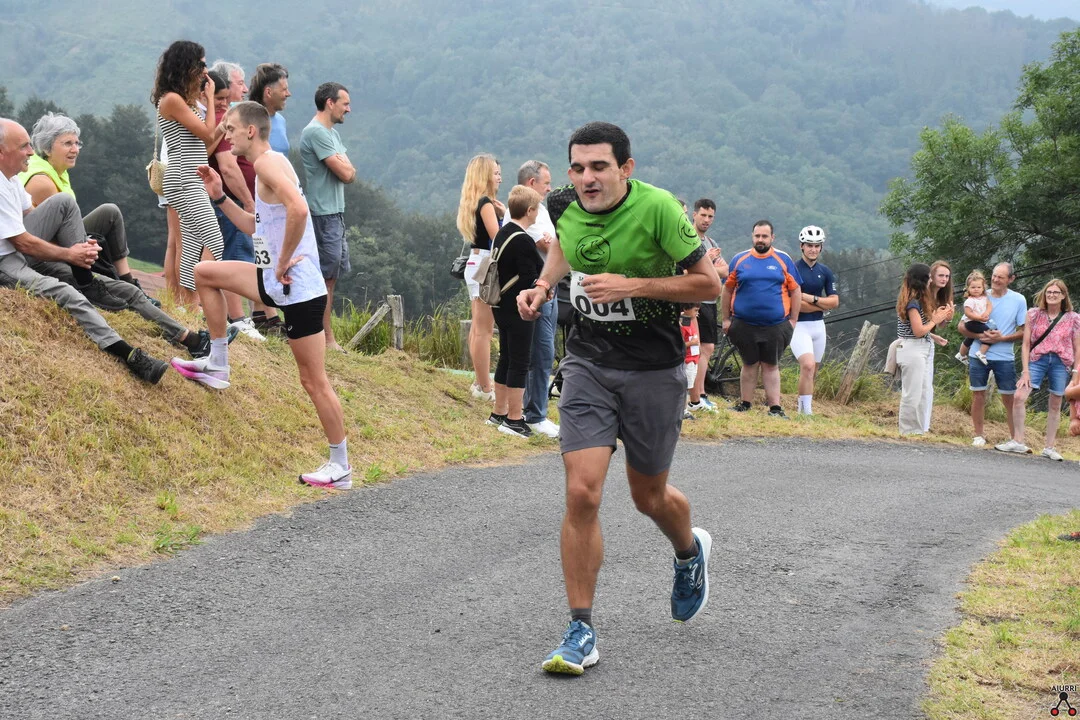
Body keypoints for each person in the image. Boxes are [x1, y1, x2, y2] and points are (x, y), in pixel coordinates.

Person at [517, 121, 720, 675]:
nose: (586, 178)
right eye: (578, 167)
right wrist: (543, 285)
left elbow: (708, 285)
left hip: (654, 369)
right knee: (582, 492)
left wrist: (632, 285)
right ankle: (580, 629)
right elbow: (566, 245)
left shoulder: (659, 209)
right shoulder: (562, 204)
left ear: (625, 169)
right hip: (588, 363)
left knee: (648, 496)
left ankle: (688, 550)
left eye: (599, 167)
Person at [170, 101, 351, 488]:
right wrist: (220, 197)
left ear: (250, 131)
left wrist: (283, 262)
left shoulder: (268, 164)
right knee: (205, 274)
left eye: (230, 129)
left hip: (298, 290)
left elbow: (299, 209)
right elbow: (257, 227)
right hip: (275, 282)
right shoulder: (270, 165)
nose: (226, 136)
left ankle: (340, 466)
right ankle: (218, 363)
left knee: (313, 381)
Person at [0, 118, 170, 383]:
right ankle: (128, 354)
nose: (30, 152)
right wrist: (69, 254)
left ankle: (86, 281)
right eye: (23, 147)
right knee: (65, 292)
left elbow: (34, 218)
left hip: (20, 249)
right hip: (5, 260)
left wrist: (79, 244)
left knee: (64, 202)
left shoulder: (10, 180)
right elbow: (22, 242)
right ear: (2, 152)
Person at [19, 112, 141, 286]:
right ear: (46, 148)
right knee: (107, 218)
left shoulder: (56, 170)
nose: (75, 149)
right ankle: (121, 284)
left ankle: (127, 279)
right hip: (47, 251)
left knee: (110, 212)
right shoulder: (42, 182)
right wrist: (86, 245)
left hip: (61, 238)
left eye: (77, 143)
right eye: (67, 143)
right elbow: (53, 237)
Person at [152, 40, 225, 307]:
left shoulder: (181, 100)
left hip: (190, 177)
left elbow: (202, 138)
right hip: (184, 178)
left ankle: (188, 307)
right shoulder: (172, 100)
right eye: (202, 64)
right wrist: (211, 100)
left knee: (192, 244)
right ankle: (199, 300)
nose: (205, 71)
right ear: (187, 65)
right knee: (215, 241)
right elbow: (208, 133)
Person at [721, 220, 802, 418]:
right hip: (743, 323)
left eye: (764, 236)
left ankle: (775, 408)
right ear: (752, 236)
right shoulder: (739, 259)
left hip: (776, 325)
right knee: (749, 364)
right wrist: (726, 319)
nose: (760, 240)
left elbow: (795, 290)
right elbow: (727, 289)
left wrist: (793, 321)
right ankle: (745, 404)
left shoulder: (783, 259)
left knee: (771, 365)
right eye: (757, 236)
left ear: (772, 238)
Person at [299, 82, 355, 352]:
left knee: (331, 277)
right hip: (322, 213)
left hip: (335, 213)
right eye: (345, 103)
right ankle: (323, 337)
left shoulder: (331, 134)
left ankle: (324, 336)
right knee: (323, 277)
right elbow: (346, 173)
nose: (349, 109)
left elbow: (350, 171)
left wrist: (346, 167)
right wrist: (345, 166)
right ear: (330, 103)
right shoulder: (316, 133)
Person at [485, 185, 543, 438]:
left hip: (499, 304)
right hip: (518, 307)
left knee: (506, 357)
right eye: (537, 209)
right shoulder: (523, 240)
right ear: (529, 211)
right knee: (520, 361)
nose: (537, 213)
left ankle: (498, 412)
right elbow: (532, 276)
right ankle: (514, 418)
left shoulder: (503, 233)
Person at [958, 262, 1027, 450]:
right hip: (977, 354)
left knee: (1009, 398)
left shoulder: (1019, 300)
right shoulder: (979, 293)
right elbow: (961, 326)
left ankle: (1015, 439)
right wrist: (981, 336)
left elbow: (1024, 332)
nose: (995, 280)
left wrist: (1001, 338)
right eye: (994, 276)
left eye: (1000, 277)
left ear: (1011, 279)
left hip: (1004, 357)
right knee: (978, 395)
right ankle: (978, 436)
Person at [516, 160, 560, 438]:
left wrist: (553, 242)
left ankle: (537, 410)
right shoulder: (524, 210)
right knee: (540, 351)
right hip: (536, 288)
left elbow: (557, 243)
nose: (550, 188)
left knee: (546, 350)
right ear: (532, 183)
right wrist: (553, 242)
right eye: (546, 183)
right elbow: (548, 245)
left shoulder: (541, 210)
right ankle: (534, 413)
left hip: (551, 284)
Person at [456, 153, 504, 402]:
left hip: (475, 262)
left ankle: (479, 380)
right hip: (486, 263)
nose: (499, 178)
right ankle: (485, 386)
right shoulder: (486, 204)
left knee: (477, 327)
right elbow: (498, 237)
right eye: (496, 173)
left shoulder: (473, 202)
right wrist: (505, 217)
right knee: (485, 330)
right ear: (485, 176)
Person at [1016, 279, 1080, 461]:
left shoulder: (1074, 318)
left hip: (1061, 361)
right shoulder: (1034, 314)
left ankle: (1049, 447)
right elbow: (1026, 344)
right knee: (1019, 396)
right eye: (1049, 292)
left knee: (1055, 404)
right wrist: (1025, 371)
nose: (1052, 295)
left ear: (1063, 296)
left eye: (1056, 292)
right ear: (1044, 294)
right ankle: (1018, 441)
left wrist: (1076, 373)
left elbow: (1077, 347)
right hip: (1037, 359)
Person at [894, 263, 952, 435]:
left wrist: (934, 333)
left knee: (924, 391)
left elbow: (917, 330)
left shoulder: (917, 301)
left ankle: (919, 430)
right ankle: (907, 431)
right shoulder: (912, 303)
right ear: (922, 280)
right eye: (929, 277)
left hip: (920, 347)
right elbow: (918, 331)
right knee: (912, 393)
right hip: (912, 349)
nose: (931, 281)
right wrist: (935, 320)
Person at [788, 225, 839, 415]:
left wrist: (811, 298)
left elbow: (835, 301)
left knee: (813, 370)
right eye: (809, 245)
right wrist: (822, 305)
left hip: (818, 326)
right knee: (807, 365)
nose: (813, 249)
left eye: (817, 246)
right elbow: (795, 304)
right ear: (802, 246)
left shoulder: (825, 271)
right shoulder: (793, 269)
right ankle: (805, 412)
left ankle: (805, 410)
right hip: (799, 325)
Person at [686, 199, 728, 412]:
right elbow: (685, 270)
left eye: (710, 216)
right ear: (694, 215)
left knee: (707, 348)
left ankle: (699, 394)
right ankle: (697, 395)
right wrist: (709, 264)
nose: (706, 220)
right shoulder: (688, 238)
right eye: (703, 215)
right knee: (697, 347)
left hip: (710, 301)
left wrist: (707, 266)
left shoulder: (711, 242)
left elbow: (725, 270)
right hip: (694, 300)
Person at [920, 260, 955, 432]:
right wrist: (933, 333)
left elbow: (937, 325)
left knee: (928, 387)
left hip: (927, 342)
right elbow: (916, 327)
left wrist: (947, 319)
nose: (944, 279)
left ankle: (924, 427)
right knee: (918, 386)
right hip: (914, 341)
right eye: (941, 275)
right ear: (931, 276)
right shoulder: (921, 295)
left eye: (947, 276)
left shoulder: (943, 297)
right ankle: (914, 426)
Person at [249, 63, 291, 154]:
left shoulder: (281, 120)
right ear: (268, 92)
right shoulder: (247, 121)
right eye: (284, 89)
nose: (288, 94)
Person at [955, 270, 993, 365]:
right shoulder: (970, 301)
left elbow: (989, 305)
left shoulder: (984, 298)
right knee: (990, 334)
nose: (976, 289)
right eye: (973, 287)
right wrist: (979, 318)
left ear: (983, 288)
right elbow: (968, 313)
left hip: (979, 321)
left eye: (979, 287)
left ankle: (961, 354)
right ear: (968, 288)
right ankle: (981, 352)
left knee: (970, 337)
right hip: (971, 322)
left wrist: (986, 312)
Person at [681, 303, 701, 421]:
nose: (697, 314)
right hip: (687, 360)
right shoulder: (682, 324)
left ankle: (683, 409)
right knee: (684, 386)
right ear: (685, 309)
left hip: (693, 359)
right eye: (695, 310)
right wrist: (692, 343)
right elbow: (679, 345)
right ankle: (683, 410)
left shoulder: (690, 322)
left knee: (687, 386)